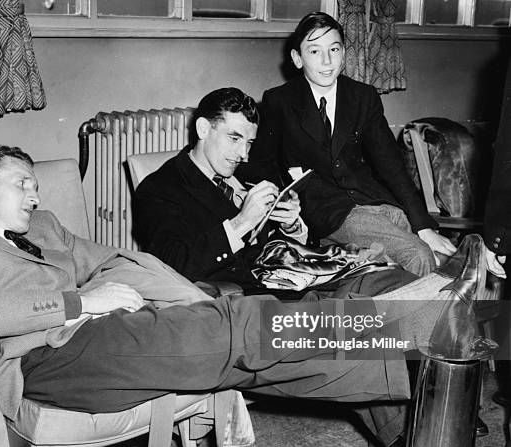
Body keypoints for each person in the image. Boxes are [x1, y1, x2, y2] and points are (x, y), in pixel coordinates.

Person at [0, 145, 485, 447]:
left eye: (37, 183)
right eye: (22, 183)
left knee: (245, 348)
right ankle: (422, 324)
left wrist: (181, 298)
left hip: (113, 329)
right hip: (50, 354)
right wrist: (81, 303)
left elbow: (118, 260)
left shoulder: (46, 228)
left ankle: (416, 373)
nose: (36, 193)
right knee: (236, 329)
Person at [134, 87, 416, 297]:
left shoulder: (243, 173)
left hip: (303, 272)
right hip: (263, 298)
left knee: (396, 280)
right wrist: (241, 223)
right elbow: (171, 266)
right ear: (203, 128)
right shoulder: (160, 189)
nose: (243, 155)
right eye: (234, 138)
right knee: (381, 310)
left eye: (249, 143)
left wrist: (292, 223)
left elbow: (285, 239)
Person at [240, 12, 457, 277]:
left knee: (436, 253)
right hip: (326, 210)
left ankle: (398, 309)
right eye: (314, 51)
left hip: (373, 201)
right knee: (418, 254)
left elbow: (391, 165)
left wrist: (423, 224)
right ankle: (423, 317)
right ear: (297, 59)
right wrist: (288, 192)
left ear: (344, 54)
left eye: (334, 49)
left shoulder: (362, 97)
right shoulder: (279, 102)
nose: (327, 61)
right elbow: (258, 165)